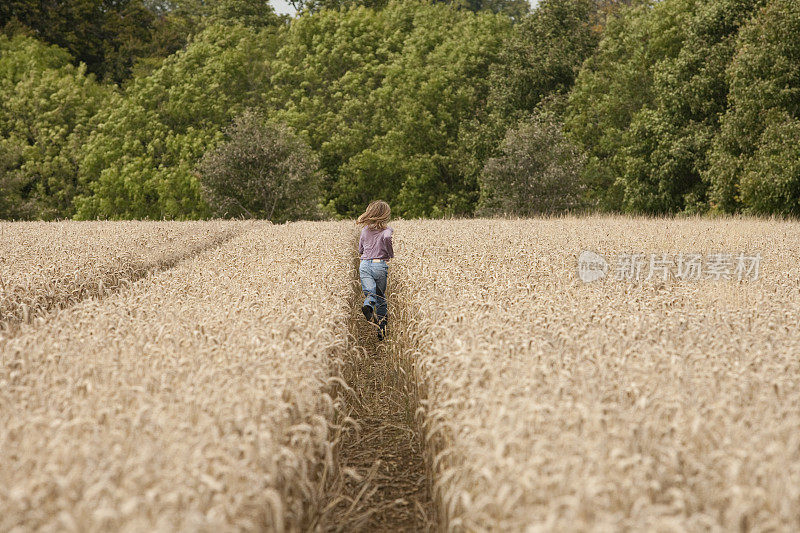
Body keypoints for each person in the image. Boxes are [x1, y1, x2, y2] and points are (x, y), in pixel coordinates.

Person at [356, 200, 394, 340]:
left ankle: (368, 305)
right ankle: (382, 330)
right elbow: (387, 237)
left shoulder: (365, 230)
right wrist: (390, 254)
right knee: (381, 298)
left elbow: (360, 249)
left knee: (369, 292)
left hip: (364, 265)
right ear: (385, 215)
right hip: (379, 265)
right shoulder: (387, 230)